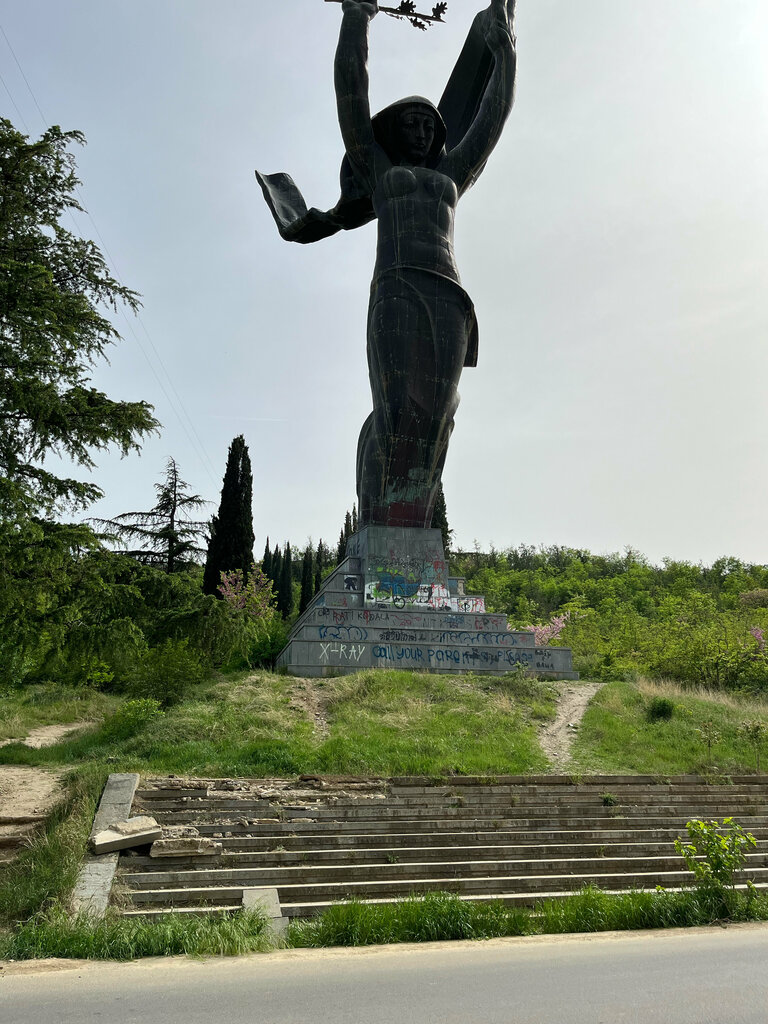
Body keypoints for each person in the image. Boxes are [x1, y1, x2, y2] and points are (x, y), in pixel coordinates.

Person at [258, 1, 517, 529]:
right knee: (398, 409)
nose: (421, 133)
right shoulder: (379, 171)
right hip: (397, 288)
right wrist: (356, 18)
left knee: (439, 414)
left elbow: (491, 119)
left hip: (448, 297)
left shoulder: (452, 174)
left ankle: (412, 528)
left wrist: (504, 53)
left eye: (429, 126)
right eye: (411, 125)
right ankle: (379, 519)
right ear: (393, 133)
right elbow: (351, 98)